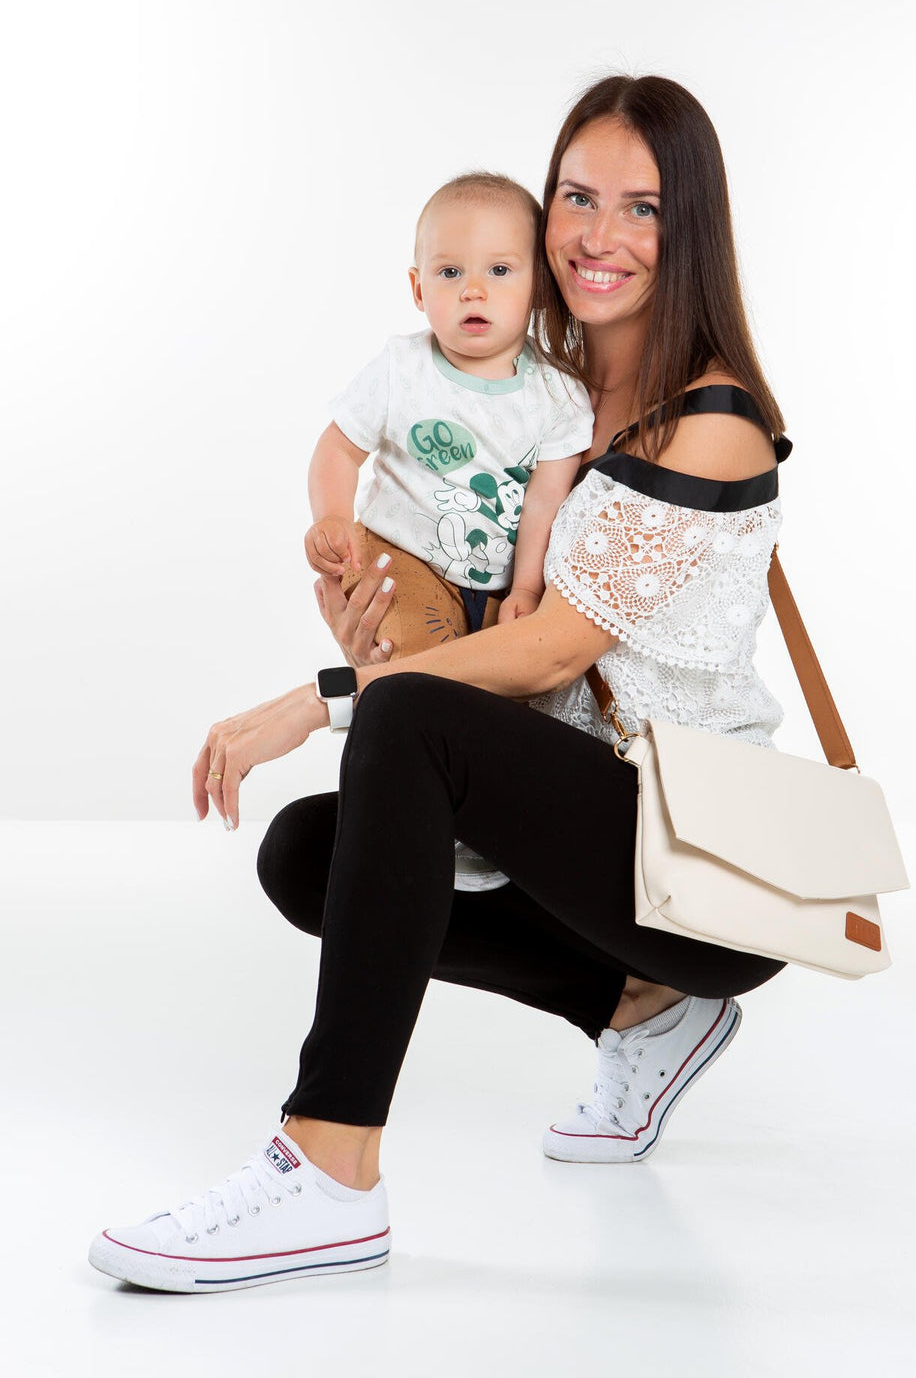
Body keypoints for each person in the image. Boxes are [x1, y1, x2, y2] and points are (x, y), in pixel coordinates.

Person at [88, 74, 792, 1294]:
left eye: (641, 206)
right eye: (576, 197)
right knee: (309, 853)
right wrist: (373, 637)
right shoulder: (545, 385)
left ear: (692, 231)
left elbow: (552, 649)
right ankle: (640, 1015)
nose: (595, 235)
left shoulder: (710, 420)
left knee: (399, 725)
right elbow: (471, 637)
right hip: (589, 832)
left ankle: (327, 1170)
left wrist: (319, 702)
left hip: (708, 869)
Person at [305, 172, 593, 656]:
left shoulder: (558, 396)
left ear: (539, 287)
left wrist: (524, 588)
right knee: (422, 656)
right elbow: (337, 447)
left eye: (499, 271)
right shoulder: (402, 369)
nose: (473, 291)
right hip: (396, 556)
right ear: (418, 289)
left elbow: (546, 501)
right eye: (450, 272)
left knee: (505, 678)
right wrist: (331, 517)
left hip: (495, 584)